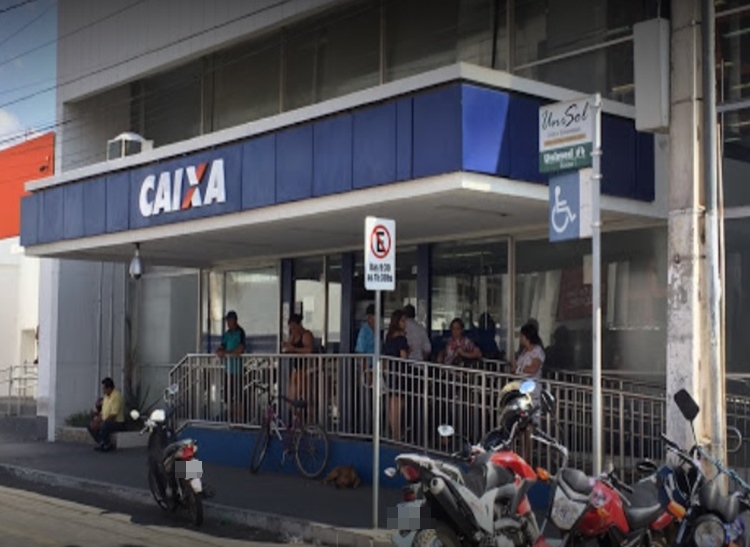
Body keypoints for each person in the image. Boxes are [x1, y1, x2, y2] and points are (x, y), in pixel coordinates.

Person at [515, 321, 545, 461]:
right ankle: (521, 452)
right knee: (520, 421)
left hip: (532, 389)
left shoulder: (537, 351)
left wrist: (519, 369)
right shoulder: (523, 351)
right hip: (522, 389)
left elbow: (533, 369)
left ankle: (528, 455)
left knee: (530, 422)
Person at [383, 309, 409, 441]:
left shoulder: (388, 337)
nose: (405, 323)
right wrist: (409, 352)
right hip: (400, 372)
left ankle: (394, 432)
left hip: (390, 372)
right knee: (397, 403)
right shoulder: (401, 339)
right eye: (403, 321)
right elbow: (403, 356)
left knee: (392, 402)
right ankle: (396, 435)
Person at [216, 310, 247, 423]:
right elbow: (222, 347)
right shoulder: (226, 334)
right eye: (227, 321)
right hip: (228, 370)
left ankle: (241, 420)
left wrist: (228, 353)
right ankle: (233, 418)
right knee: (228, 397)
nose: (228, 323)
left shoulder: (240, 332)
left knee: (239, 397)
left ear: (235, 320)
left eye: (230, 320)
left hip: (238, 370)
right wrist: (220, 351)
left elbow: (241, 349)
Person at [282, 314, 314, 406]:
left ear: (299, 325)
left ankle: (303, 409)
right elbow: (289, 347)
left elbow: (309, 350)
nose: (293, 330)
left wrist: (294, 349)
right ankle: (293, 409)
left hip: (305, 368)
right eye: (291, 328)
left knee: (301, 392)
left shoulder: (306, 335)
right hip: (296, 367)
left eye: (294, 327)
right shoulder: (293, 336)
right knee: (292, 393)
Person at [87, 378, 125, 452]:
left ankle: (108, 444)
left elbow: (113, 415)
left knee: (103, 425)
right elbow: (103, 413)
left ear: (109, 388)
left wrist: (100, 422)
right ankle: (102, 442)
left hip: (117, 422)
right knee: (90, 425)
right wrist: (96, 420)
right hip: (106, 420)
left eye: (104, 389)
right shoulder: (106, 397)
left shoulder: (116, 396)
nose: (103, 391)